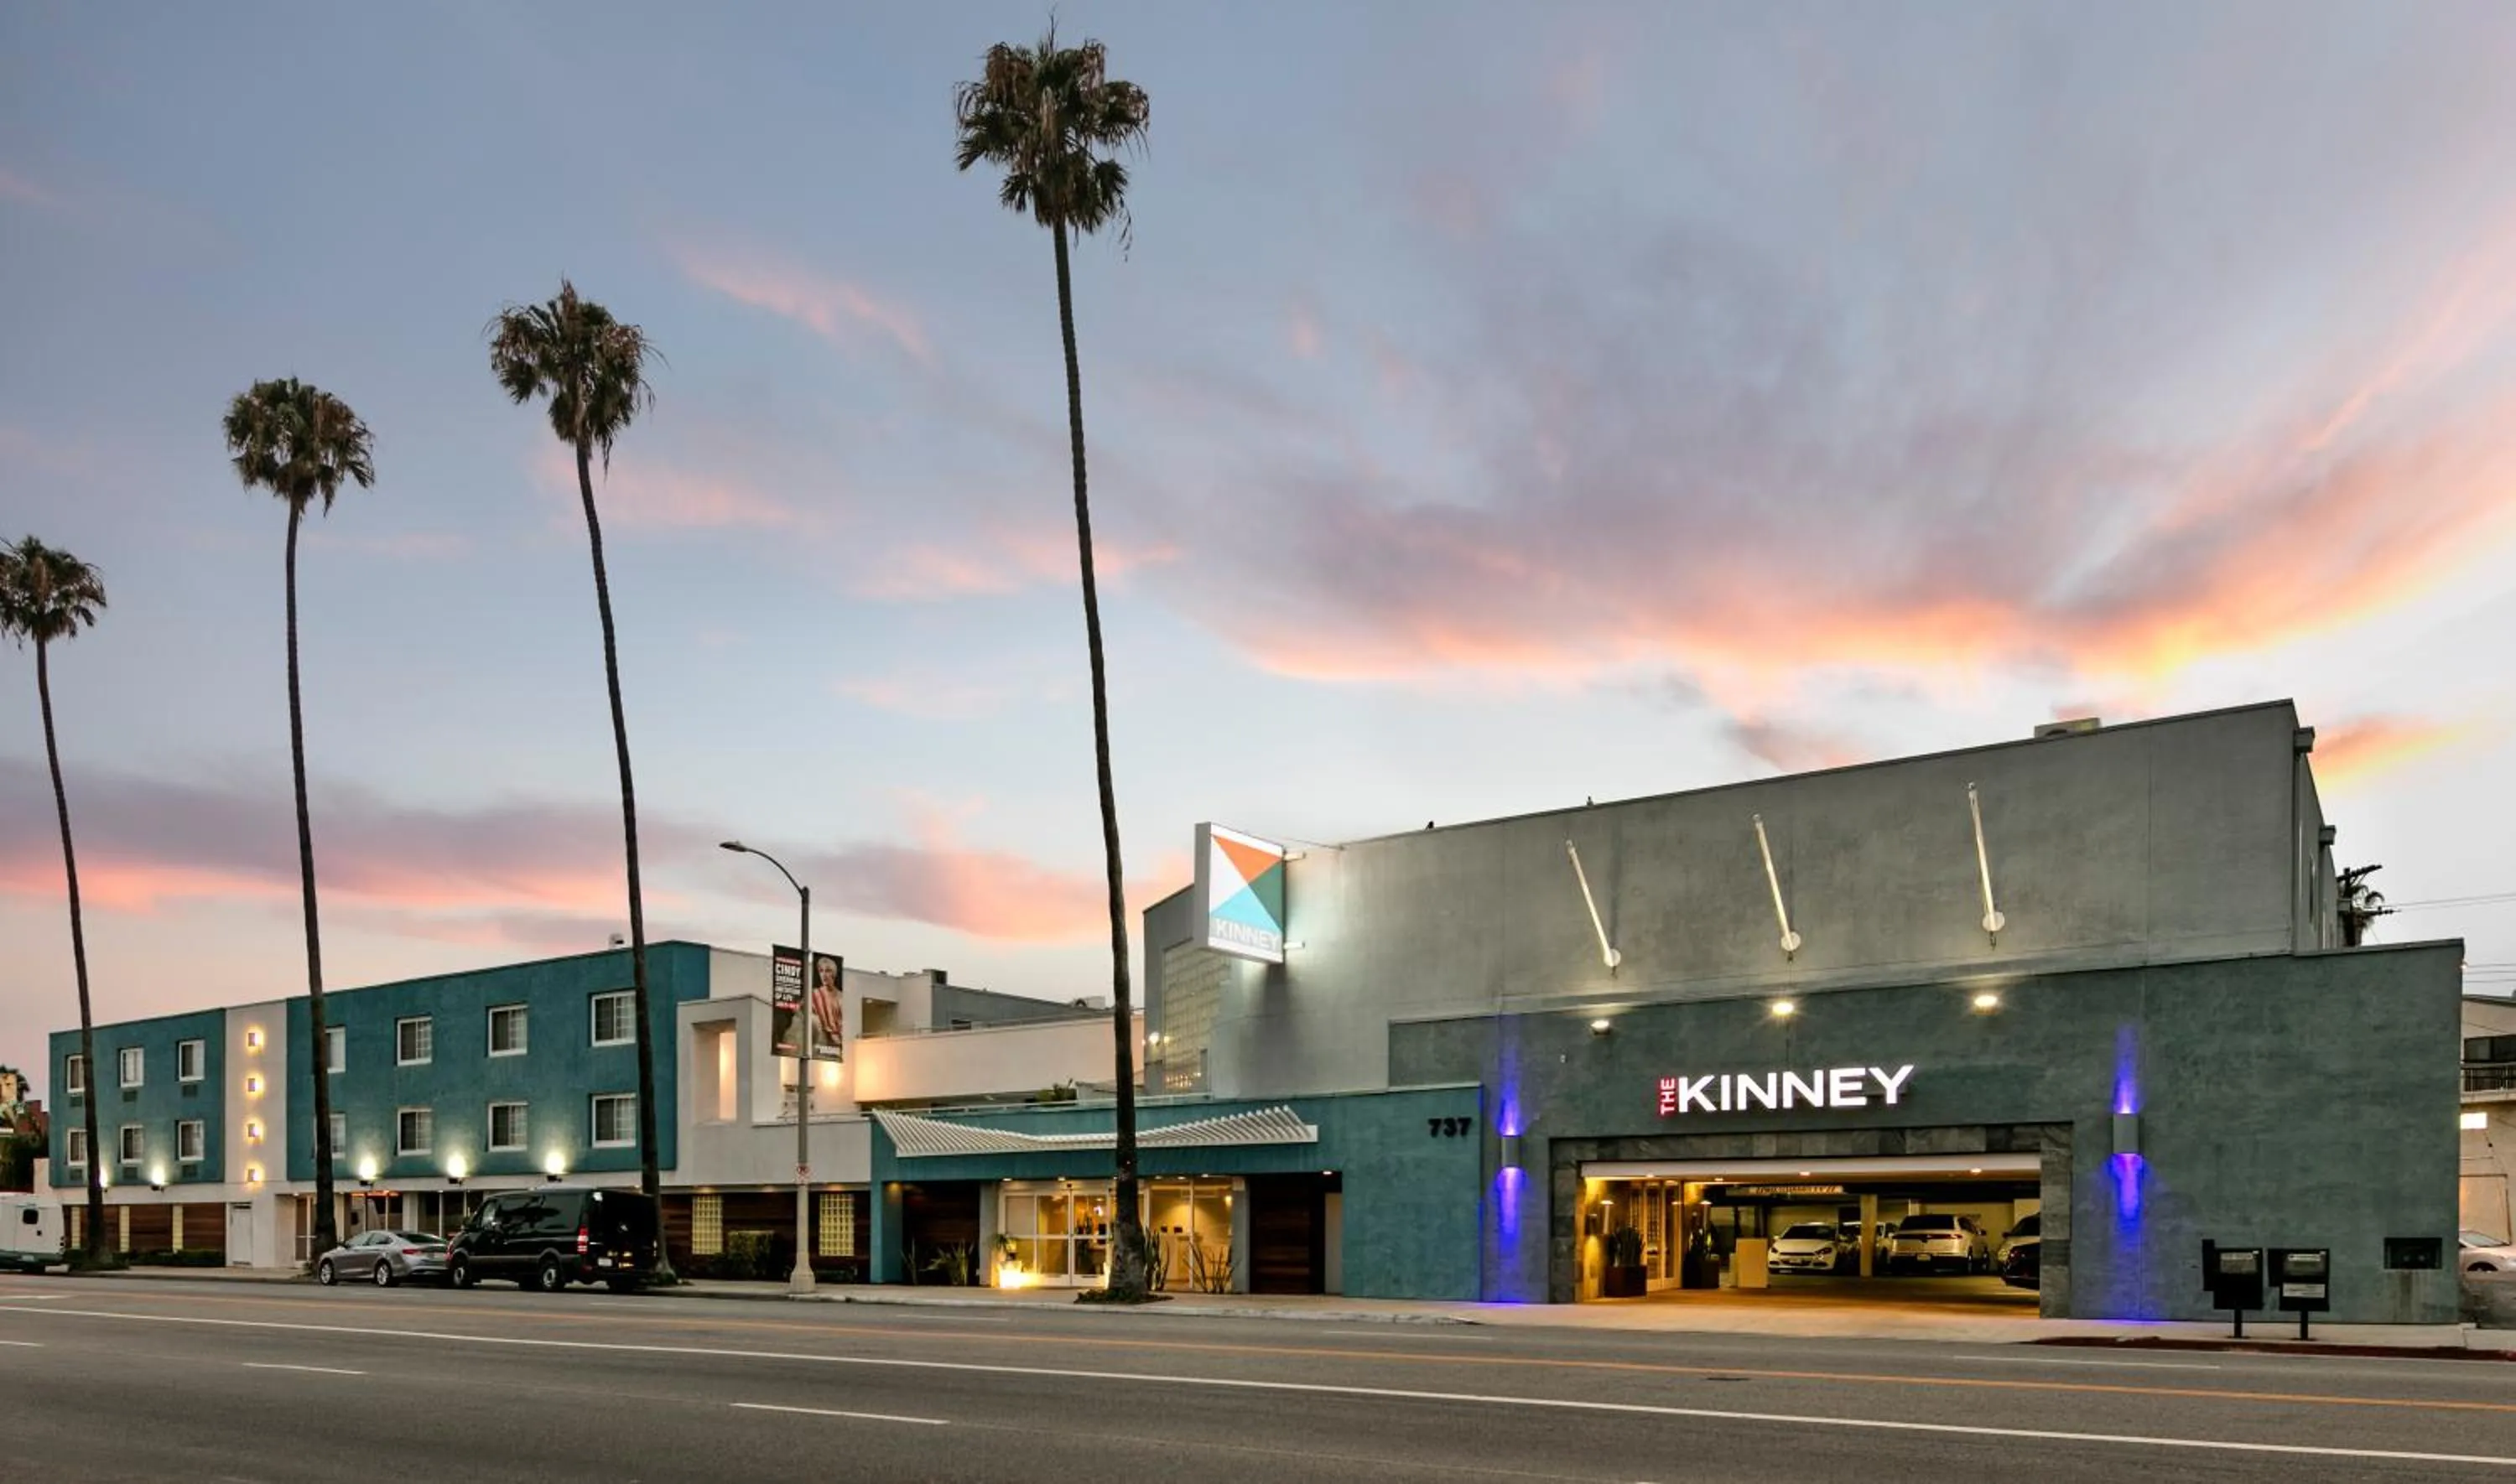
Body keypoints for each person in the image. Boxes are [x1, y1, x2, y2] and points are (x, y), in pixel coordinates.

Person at [810, 954, 845, 1060]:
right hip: (821, 1043)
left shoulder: (841, 996)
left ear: (833, 974)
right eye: (821, 971)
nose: (824, 975)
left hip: (839, 1045)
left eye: (828, 971)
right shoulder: (815, 995)